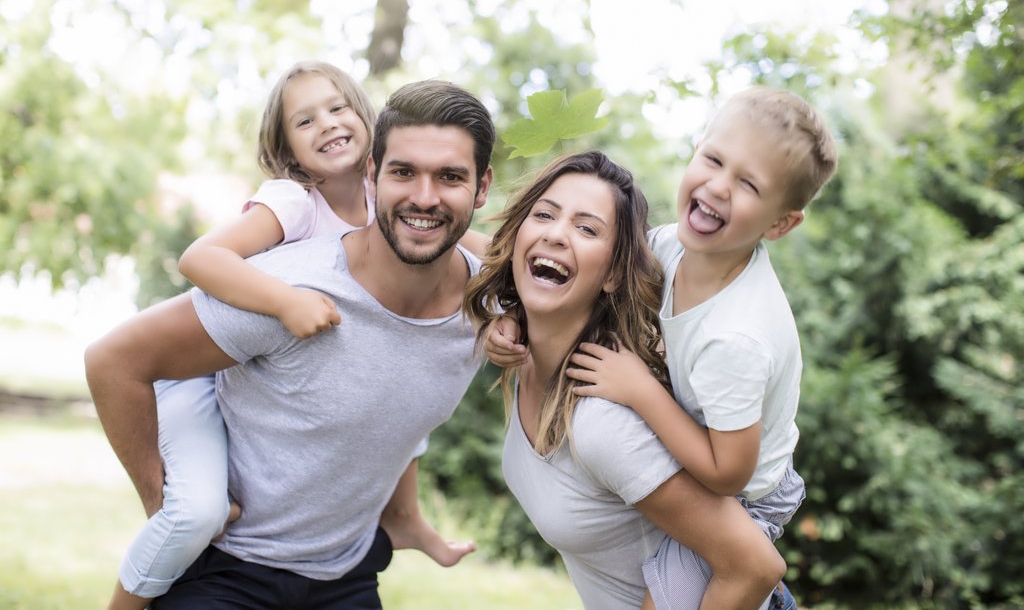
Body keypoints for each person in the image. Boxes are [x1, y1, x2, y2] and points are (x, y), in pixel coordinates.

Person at [85, 78, 495, 609]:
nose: (424, 195)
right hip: (229, 567)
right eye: (404, 172)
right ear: (375, 172)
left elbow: (487, 247)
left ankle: (404, 520)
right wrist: (156, 492)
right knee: (193, 509)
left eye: (450, 177)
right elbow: (116, 357)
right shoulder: (292, 241)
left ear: (480, 188)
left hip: (344, 574)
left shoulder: (490, 296)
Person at [488, 88, 838, 608]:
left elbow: (729, 475)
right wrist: (512, 313)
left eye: (747, 184)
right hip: (708, 455)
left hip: (748, 492)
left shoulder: (736, 336)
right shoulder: (674, 246)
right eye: (714, 160)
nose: (718, 186)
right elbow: (586, 269)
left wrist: (641, 392)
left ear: (779, 223)